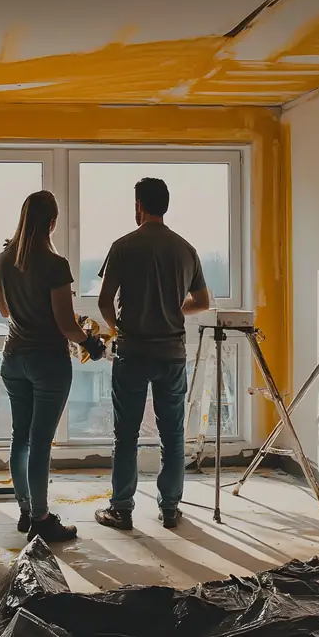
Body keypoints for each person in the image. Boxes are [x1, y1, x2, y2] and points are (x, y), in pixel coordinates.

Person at [94, 177, 210, 530]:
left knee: (126, 435)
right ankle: (171, 508)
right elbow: (203, 302)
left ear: (139, 206)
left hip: (133, 352)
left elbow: (103, 301)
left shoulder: (123, 246)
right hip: (172, 354)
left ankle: (122, 509)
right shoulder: (186, 249)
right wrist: (173, 309)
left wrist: (119, 329)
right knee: (172, 436)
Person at [0, 190, 105, 543]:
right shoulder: (55, 265)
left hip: (13, 358)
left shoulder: (2, 260)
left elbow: (5, 312)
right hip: (47, 361)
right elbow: (65, 326)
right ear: (52, 222)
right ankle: (42, 519)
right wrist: (90, 341)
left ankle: (26, 511)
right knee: (41, 442)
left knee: (20, 438)